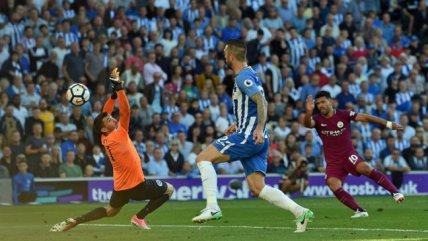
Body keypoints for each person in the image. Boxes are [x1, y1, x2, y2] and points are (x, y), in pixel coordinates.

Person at [192, 40, 314, 233]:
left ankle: (212, 207)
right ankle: (300, 211)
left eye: (225, 53)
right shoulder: (250, 74)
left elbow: (262, 102)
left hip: (249, 136)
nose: (224, 56)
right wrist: (239, 123)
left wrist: (256, 127)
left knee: (202, 159)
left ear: (231, 55)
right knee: (257, 188)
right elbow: (251, 105)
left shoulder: (242, 77)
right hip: (258, 138)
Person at [50, 68, 174, 232]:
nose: (112, 118)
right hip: (137, 184)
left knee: (111, 211)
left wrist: (113, 96)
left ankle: (76, 220)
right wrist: (119, 88)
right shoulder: (120, 134)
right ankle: (139, 217)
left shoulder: (105, 138)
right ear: (104, 128)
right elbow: (126, 111)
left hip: (120, 186)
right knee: (169, 190)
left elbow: (105, 112)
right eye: (109, 120)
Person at [303, 91, 405, 218]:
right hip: (333, 161)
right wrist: (308, 112)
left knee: (366, 168)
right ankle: (360, 210)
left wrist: (389, 124)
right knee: (332, 184)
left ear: (330, 102)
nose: (320, 105)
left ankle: (395, 193)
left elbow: (366, 117)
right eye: (317, 104)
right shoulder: (317, 119)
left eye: (323, 102)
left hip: (348, 155)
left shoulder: (343, 114)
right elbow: (307, 124)